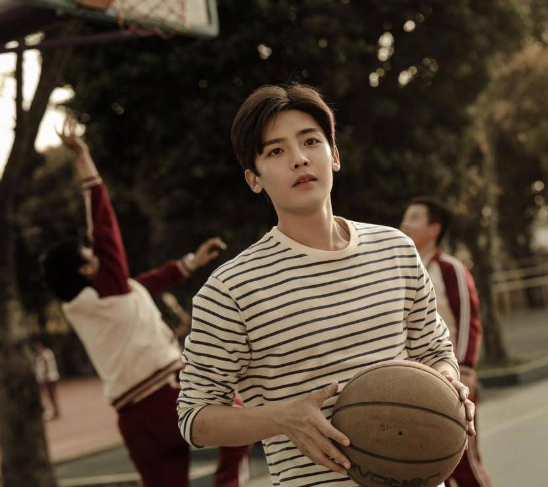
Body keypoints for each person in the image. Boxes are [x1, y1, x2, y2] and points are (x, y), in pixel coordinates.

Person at [176, 84, 475, 487]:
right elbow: (194, 418)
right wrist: (281, 418)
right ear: (254, 179)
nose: (299, 158)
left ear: (334, 155)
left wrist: (446, 387)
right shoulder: (231, 289)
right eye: (276, 151)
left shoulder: (396, 249)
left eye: (310, 141)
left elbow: (434, 350)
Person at [40, 118, 250, 487]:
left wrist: (190, 263)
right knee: (239, 418)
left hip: (133, 420)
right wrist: (83, 156)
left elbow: (146, 283)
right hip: (165, 398)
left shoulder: (94, 303)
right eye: (89, 254)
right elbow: (103, 224)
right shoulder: (108, 285)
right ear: (85, 269)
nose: (97, 254)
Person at [400, 197, 491, 487]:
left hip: (451, 378)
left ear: (435, 228)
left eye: (414, 217)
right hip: (414, 383)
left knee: (463, 461)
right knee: (430, 467)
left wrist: (465, 367)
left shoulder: (450, 268)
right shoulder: (399, 271)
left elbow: (468, 320)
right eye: (405, 217)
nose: (404, 224)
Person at [32, 337, 61, 420]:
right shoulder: (42, 355)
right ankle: (54, 411)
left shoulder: (46, 354)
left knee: (51, 396)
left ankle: (55, 411)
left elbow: (45, 367)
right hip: (48, 377)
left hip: (49, 377)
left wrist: (42, 378)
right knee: (49, 396)